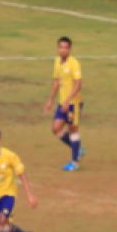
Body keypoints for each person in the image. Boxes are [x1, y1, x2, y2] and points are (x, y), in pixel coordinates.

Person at [45, 36, 84, 171]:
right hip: (62, 103)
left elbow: (78, 85)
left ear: (69, 49)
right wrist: (50, 99)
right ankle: (77, 148)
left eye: (65, 48)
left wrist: (68, 100)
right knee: (55, 129)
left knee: (73, 130)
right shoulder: (57, 62)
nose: (62, 50)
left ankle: (75, 162)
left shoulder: (74, 63)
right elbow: (56, 82)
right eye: (60, 47)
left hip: (74, 103)